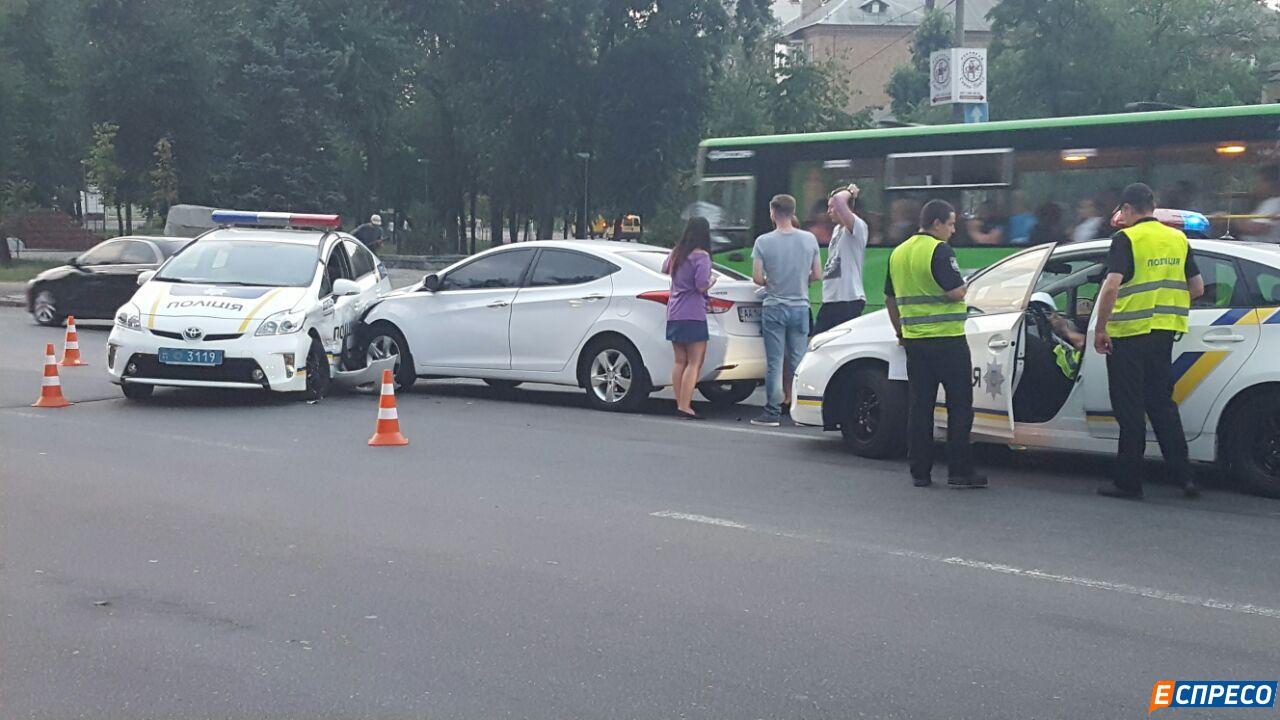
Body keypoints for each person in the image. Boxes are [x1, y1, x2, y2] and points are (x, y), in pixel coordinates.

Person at [1093, 183, 1204, 500]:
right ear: (1152, 206)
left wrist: (1101, 328)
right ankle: (1185, 478)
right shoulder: (1178, 239)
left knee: (1130, 409)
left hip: (1129, 335)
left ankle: (1128, 482)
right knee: (1162, 405)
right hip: (1164, 333)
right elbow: (1196, 288)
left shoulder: (1126, 238)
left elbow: (1111, 286)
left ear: (1127, 210)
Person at [884, 199, 987, 488]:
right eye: (951, 223)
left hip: (916, 343)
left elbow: (890, 300)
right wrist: (966, 285)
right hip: (948, 340)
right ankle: (959, 471)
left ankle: (920, 472)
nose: (954, 230)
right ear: (937, 223)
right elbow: (955, 292)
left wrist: (900, 332)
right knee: (960, 406)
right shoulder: (939, 250)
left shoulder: (899, 253)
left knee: (920, 407)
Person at [750, 194, 821, 427]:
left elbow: (757, 278)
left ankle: (771, 412)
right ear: (793, 211)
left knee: (775, 362)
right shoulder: (809, 239)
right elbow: (817, 275)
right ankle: (800, 412)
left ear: (772, 212)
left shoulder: (763, 241)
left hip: (774, 307)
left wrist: (772, 281)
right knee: (799, 361)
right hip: (800, 307)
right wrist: (801, 279)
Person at [663, 217, 717, 420]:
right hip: (693, 312)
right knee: (694, 362)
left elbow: (664, 268)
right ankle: (686, 406)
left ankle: (679, 402)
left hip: (674, 312)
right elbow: (701, 285)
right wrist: (712, 281)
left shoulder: (677, 253)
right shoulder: (701, 256)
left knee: (679, 361)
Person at [814, 184, 868, 335]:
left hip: (848, 300)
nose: (828, 211)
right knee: (818, 341)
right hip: (832, 299)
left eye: (832, 207)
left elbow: (839, 199)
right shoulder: (837, 229)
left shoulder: (857, 227)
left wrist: (850, 192)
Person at [1237, 165, 1280, 244]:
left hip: (1258, 250)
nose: (1256, 186)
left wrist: (1228, 221)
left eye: (1259, 182)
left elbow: (1257, 228)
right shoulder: (1267, 202)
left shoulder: (1274, 203)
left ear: (1270, 183)